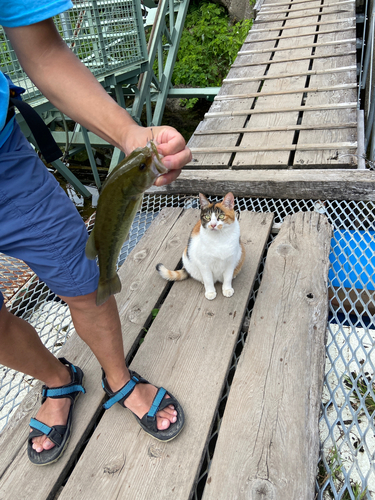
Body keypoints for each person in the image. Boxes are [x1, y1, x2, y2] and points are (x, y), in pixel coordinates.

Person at [0, 1, 192, 465]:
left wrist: (129, 135)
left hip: (6, 169)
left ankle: (118, 376)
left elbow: (42, 52)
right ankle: (57, 378)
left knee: (84, 283)